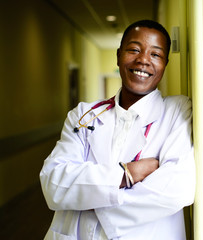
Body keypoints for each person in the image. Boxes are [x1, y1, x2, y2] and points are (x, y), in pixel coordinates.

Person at [40, 20, 195, 240]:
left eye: (155, 55)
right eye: (134, 50)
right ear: (118, 55)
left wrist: (88, 199)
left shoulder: (177, 111)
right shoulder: (84, 114)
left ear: (165, 64)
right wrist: (127, 174)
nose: (143, 60)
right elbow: (53, 183)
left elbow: (176, 190)